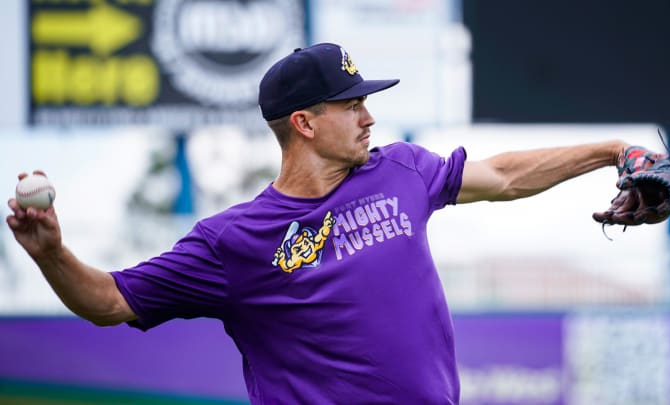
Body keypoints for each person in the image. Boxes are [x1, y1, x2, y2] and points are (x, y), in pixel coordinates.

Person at [7, 43, 630, 404]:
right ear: (303, 123)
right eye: (352, 104)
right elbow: (111, 301)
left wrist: (609, 152)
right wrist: (50, 254)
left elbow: (504, 176)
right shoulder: (233, 242)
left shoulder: (402, 172)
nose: (368, 117)